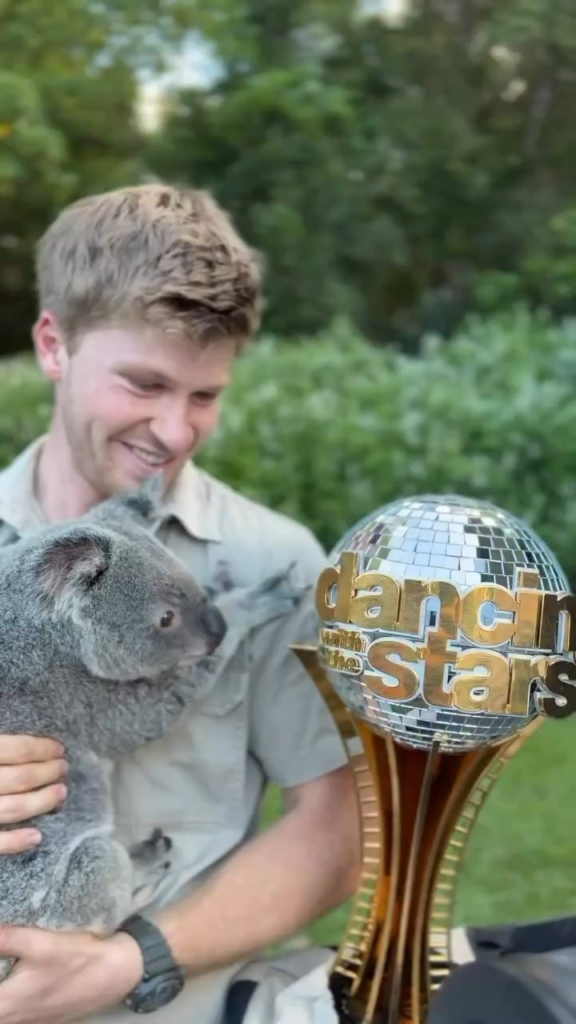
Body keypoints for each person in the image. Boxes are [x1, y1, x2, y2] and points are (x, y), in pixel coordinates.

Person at [0, 184, 361, 1024]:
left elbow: (336, 835)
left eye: (205, 397)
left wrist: (132, 962)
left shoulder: (273, 562)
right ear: (55, 344)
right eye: (144, 384)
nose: (172, 430)